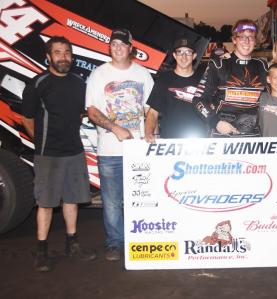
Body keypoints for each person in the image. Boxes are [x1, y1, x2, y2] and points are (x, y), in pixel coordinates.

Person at [22, 36, 96, 272]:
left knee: (72, 199)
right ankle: (42, 250)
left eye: (67, 53)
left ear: (71, 57)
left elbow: (83, 114)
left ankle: (71, 244)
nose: (63, 57)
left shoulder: (79, 84)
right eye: (58, 52)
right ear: (48, 56)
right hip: (48, 154)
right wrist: (41, 143)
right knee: (45, 203)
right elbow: (27, 117)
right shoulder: (38, 83)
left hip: (74, 151)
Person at [86, 28, 154, 261]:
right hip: (110, 150)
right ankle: (115, 242)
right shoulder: (98, 74)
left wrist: (149, 131)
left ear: (130, 48)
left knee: (143, 197)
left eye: (122, 44)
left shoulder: (143, 74)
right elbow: (92, 110)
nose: (117, 48)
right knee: (112, 201)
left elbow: (151, 109)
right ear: (109, 47)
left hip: (138, 150)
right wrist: (115, 128)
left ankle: (143, 239)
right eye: (113, 44)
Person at [192, 19, 268, 137]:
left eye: (251, 37)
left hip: (253, 138)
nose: (247, 41)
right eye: (242, 37)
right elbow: (198, 100)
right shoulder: (219, 64)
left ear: (255, 41)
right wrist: (215, 122)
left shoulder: (263, 66)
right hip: (223, 137)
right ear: (234, 40)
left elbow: (275, 97)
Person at [145, 38, 207, 141]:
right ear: (174, 55)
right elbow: (153, 112)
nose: (184, 56)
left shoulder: (203, 80)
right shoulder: (164, 79)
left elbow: (211, 109)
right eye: (180, 52)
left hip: (197, 142)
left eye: (188, 52)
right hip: (170, 142)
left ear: (194, 56)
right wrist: (148, 132)